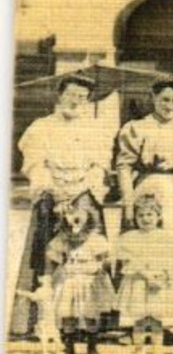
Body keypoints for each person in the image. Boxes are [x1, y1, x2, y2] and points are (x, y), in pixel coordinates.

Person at [12, 74, 110, 338]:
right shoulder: (41, 126)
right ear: (60, 95)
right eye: (71, 94)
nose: (76, 101)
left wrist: (84, 191)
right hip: (50, 194)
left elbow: (100, 164)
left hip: (84, 195)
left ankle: (85, 323)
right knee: (45, 253)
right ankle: (40, 322)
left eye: (82, 97)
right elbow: (34, 162)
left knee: (87, 253)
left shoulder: (95, 127)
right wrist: (51, 190)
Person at [114, 76, 173, 325]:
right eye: (164, 99)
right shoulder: (137, 127)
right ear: (153, 98)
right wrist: (129, 199)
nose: (169, 105)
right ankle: (138, 320)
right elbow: (123, 165)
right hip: (148, 187)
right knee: (145, 248)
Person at [113, 190, 173, 354]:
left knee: (156, 319)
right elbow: (127, 263)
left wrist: (164, 278)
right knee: (139, 319)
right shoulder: (129, 238)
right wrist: (145, 274)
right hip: (137, 282)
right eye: (141, 215)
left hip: (158, 284)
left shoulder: (166, 238)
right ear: (135, 218)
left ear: (158, 216)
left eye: (150, 214)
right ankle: (138, 349)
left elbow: (171, 262)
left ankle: (158, 350)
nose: (146, 219)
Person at [44, 191, 115, 354]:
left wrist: (100, 268)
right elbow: (53, 254)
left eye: (79, 214)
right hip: (70, 278)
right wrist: (59, 265)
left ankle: (92, 345)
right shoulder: (63, 238)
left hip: (88, 279)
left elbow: (105, 257)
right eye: (71, 214)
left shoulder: (94, 238)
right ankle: (69, 345)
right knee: (68, 313)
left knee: (90, 313)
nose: (75, 218)